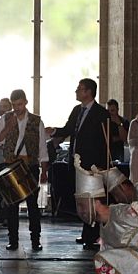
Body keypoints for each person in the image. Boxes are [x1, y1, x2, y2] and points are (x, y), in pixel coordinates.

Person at [50, 78, 111, 248]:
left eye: (80, 89)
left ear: (88, 92)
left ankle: (95, 235)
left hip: (92, 164)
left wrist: (101, 165)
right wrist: (54, 131)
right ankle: (87, 232)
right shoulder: (77, 110)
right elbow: (69, 129)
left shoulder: (101, 113)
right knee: (84, 198)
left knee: (94, 198)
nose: (76, 91)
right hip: (78, 162)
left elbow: (104, 142)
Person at [0, 89, 48, 251]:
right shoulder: (5, 118)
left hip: (30, 165)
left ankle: (35, 240)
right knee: (12, 205)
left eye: (20, 104)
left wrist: (44, 170)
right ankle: (13, 240)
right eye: (14, 105)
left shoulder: (37, 121)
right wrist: (7, 128)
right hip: (10, 165)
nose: (17, 108)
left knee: (32, 205)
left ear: (25, 102)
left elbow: (42, 147)